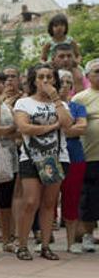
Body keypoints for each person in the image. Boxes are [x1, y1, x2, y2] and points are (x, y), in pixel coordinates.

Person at [13, 64, 73, 260]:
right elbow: (24, 127)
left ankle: (45, 245)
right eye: (41, 77)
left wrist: (55, 98)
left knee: (49, 203)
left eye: (49, 76)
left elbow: (68, 125)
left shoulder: (60, 105)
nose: (45, 80)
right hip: (31, 156)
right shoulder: (24, 103)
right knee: (30, 201)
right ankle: (22, 244)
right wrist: (52, 126)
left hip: (55, 157)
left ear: (54, 80)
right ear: (34, 80)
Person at [58, 70, 88, 252]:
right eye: (61, 81)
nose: (65, 85)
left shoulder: (77, 106)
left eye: (69, 81)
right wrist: (70, 127)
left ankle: (71, 242)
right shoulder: (43, 105)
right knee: (48, 198)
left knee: (72, 197)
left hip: (75, 155)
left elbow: (81, 127)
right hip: (50, 155)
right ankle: (42, 239)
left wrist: (63, 127)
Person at [73, 59, 99, 252]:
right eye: (97, 72)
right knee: (89, 198)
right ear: (88, 76)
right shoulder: (80, 98)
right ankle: (88, 236)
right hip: (89, 157)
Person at [0, 73, 20, 253]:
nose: (0, 85)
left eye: (1, 83)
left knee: (10, 198)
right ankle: (5, 238)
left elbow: (18, 132)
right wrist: (10, 130)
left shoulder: (7, 106)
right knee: (1, 200)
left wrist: (9, 131)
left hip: (10, 155)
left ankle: (11, 236)